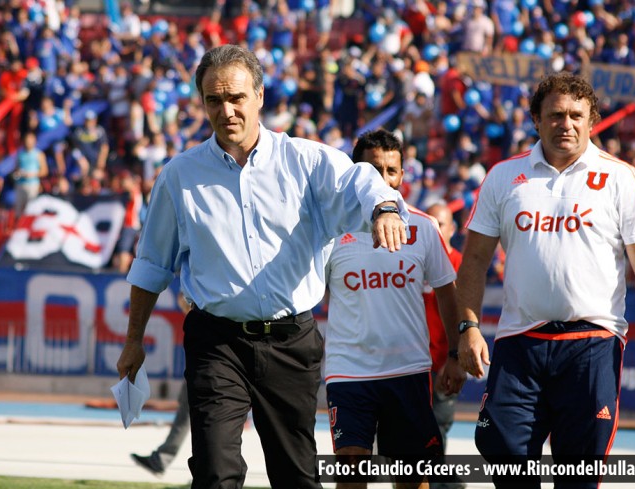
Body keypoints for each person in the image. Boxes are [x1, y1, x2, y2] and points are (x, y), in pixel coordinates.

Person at [116, 45, 409, 489]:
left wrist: (386, 207)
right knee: (216, 473)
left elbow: (362, 180)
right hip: (216, 344)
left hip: (292, 343)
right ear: (202, 103)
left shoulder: (307, 161)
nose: (226, 110)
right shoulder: (179, 175)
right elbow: (152, 264)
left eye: (236, 97)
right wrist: (133, 341)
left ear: (259, 96)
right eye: (214, 100)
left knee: (296, 477)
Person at [455, 72, 635, 488]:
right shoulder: (503, 176)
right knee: (505, 458)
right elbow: (474, 260)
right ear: (536, 119)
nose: (565, 123)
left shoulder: (620, 177)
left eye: (575, 115)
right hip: (519, 343)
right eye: (555, 115)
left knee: (579, 476)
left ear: (592, 120)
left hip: (592, 345)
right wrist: (468, 326)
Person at [323, 129, 465, 489]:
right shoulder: (329, 232)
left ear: (402, 175)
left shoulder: (422, 227)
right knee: (350, 476)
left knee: (413, 480)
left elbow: (448, 293)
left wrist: (454, 354)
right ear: (356, 172)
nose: (384, 179)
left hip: (408, 372)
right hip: (349, 373)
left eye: (391, 170)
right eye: (373, 170)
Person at [423, 202, 466, 489]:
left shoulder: (460, 263)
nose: (437, 230)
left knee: (439, 426)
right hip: (412, 361)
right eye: (432, 224)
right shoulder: (411, 258)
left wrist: (455, 358)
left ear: (452, 228)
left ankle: (441, 482)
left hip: (442, 361)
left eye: (442, 224)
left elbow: (464, 317)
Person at [131, 293, 192, 476]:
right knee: (190, 410)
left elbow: (186, 305)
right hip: (212, 356)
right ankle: (210, 469)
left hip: (218, 357)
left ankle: (212, 470)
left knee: (202, 414)